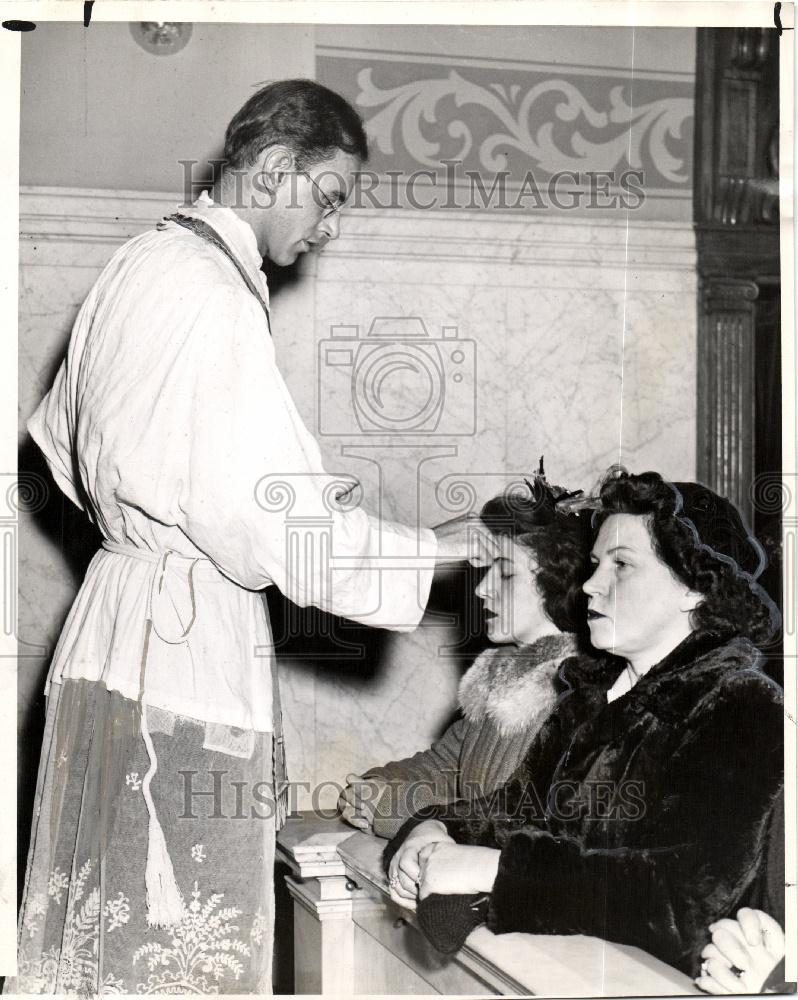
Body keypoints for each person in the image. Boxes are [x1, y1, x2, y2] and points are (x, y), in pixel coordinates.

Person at [10, 80, 496, 995]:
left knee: (95, 946)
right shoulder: (211, 295)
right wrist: (444, 546)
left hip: (114, 624)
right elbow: (285, 533)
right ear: (276, 169)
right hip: (181, 652)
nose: (332, 229)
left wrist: (157, 521)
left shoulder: (141, 262)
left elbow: (61, 444)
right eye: (331, 198)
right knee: (177, 952)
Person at [385, 469, 784, 979]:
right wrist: (433, 827)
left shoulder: (739, 705)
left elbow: (681, 898)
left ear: (694, 587)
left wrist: (497, 870)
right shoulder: (594, 694)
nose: (592, 584)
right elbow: (514, 809)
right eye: (596, 564)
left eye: (622, 565)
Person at [339, 475, 592, 839]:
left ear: (560, 584)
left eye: (505, 573)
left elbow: (517, 823)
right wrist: (376, 787)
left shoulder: (576, 689)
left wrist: (396, 810)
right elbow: (445, 766)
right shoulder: (503, 673)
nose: (482, 588)